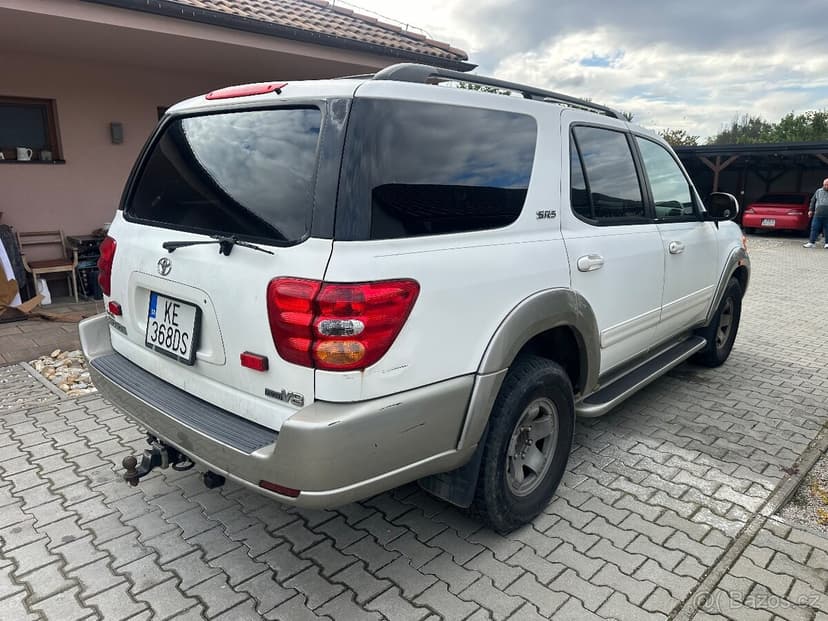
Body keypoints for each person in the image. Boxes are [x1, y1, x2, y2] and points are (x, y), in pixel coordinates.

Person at [804, 178, 828, 248]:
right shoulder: (818, 191)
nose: (826, 186)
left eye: (827, 185)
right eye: (825, 184)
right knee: (814, 228)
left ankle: (827, 243)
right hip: (817, 214)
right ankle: (811, 243)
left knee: (827, 229)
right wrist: (810, 210)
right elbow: (813, 201)